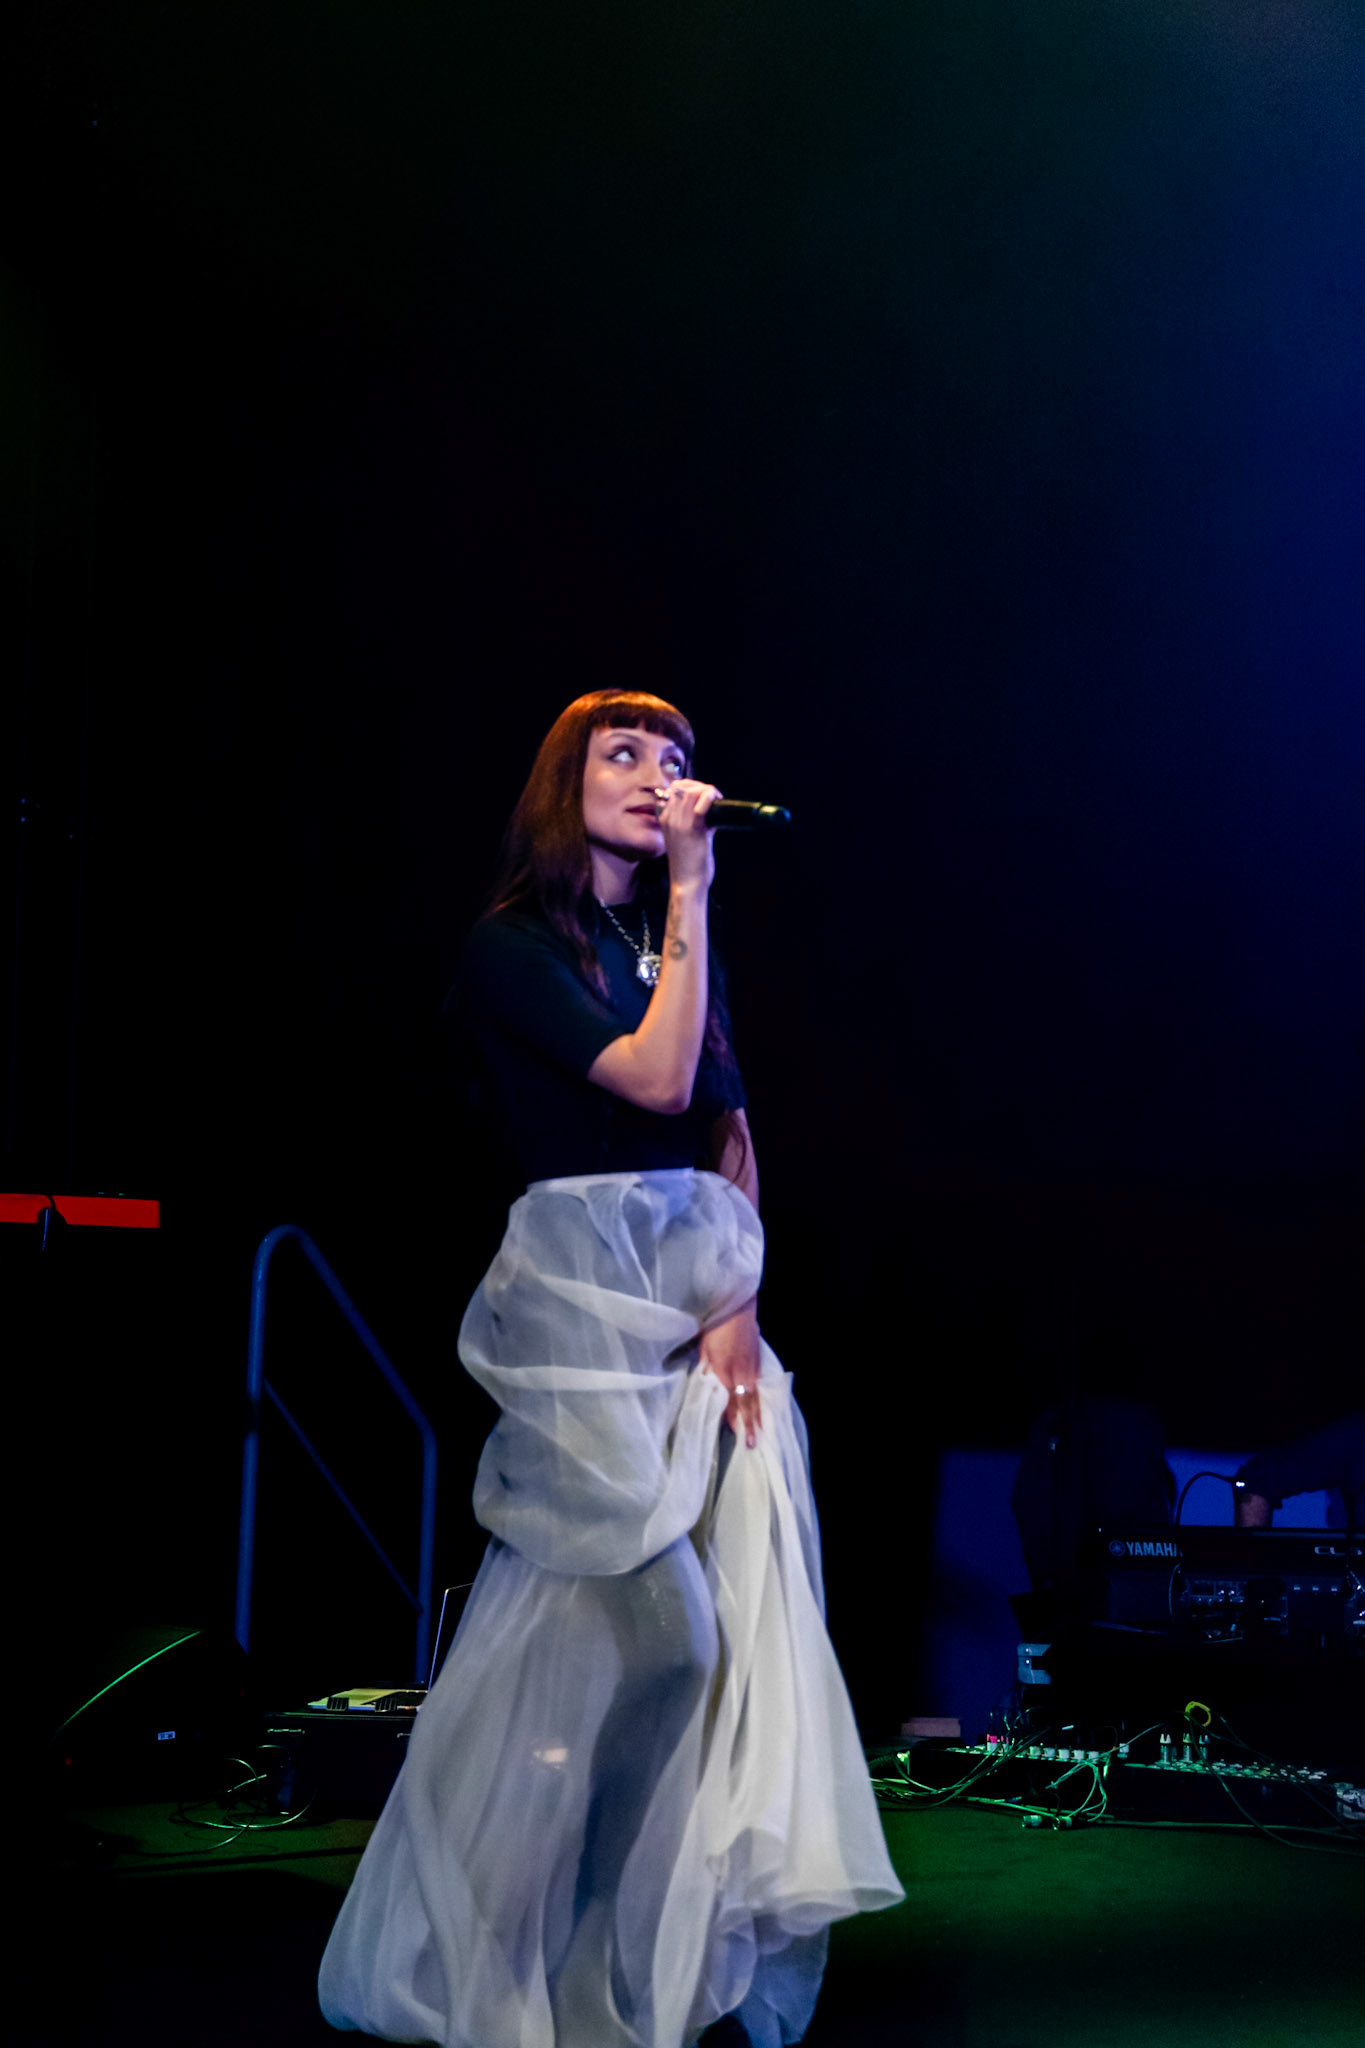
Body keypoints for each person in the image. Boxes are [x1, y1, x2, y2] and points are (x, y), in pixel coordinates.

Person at [318, 690, 902, 2048]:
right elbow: (645, 1083)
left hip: (690, 1290)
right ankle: (528, 1934)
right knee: (663, 1631)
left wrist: (733, 1298)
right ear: (561, 781)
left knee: (641, 1649)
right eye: (624, 754)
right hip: (578, 1300)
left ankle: (588, 1949)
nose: (657, 777)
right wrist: (695, 884)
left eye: (677, 760)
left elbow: (725, 1121)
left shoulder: (669, 944)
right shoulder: (509, 944)